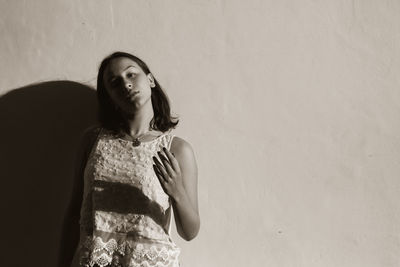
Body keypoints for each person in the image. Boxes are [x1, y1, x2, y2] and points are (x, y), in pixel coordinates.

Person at [59, 52, 200, 267]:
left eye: (131, 74)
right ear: (110, 97)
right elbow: (73, 213)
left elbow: (190, 232)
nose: (126, 84)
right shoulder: (93, 140)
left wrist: (177, 191)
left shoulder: (177, 149)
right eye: (115, 82)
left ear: (150, 80)